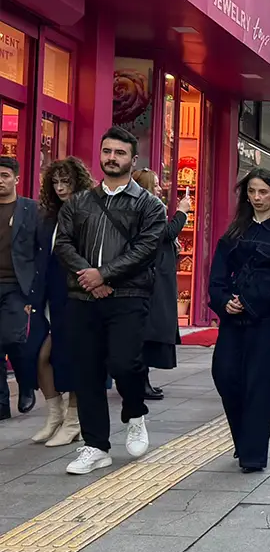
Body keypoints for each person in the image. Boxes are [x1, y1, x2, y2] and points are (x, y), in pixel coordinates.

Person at [55, 127, 167, 474]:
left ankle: (135, 413)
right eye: (107, 151)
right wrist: (90, 277)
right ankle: (95, 446)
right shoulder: (79, 202)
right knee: (86, 372)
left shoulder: (151, 205)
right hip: (83, 296)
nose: (111, 158)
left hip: (129, 296)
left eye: (120, 153)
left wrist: (105, 275)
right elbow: (63, 245)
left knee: (124, 364)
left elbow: (146, 250)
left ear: (134, 161)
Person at [207, 168, 270, 472]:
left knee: (260, 385)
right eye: (251, 192)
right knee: (225, 375)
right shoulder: (236, 230)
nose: (257, 198)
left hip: (269, 320)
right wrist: (224, 302)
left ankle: (253, 453)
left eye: (262, 192)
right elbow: (218, 274)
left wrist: (248, 302)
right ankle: (243, 440)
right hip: (233, 319)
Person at [30, 158, 94, 446]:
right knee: (40, 355)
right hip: (50, 294)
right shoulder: (48, 216)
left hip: (77, 292)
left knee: (73, 356)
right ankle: (55, 414)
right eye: (55, 183)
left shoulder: (87, 213)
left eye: (66, 182)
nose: (60, 188)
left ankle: (73, 419)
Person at [131, 169, 189, 403]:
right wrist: (182, 213)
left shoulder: (149, 207)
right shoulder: (144, 209)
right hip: (151, 278)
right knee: (148, 329)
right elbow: (165, 233)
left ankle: (143, 380)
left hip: (158, 276)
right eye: (154, 184)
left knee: (151, 329)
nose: (159, 188)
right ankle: (140, 381)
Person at [0, 157, 40, 421]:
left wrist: (34, 293)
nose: (0, 180)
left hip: (17, 286)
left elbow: (40, 253)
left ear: (16, 178)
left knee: (13, 340)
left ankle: (27, 382)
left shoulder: (31, 209)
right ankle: (2, 404)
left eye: (4, 175)